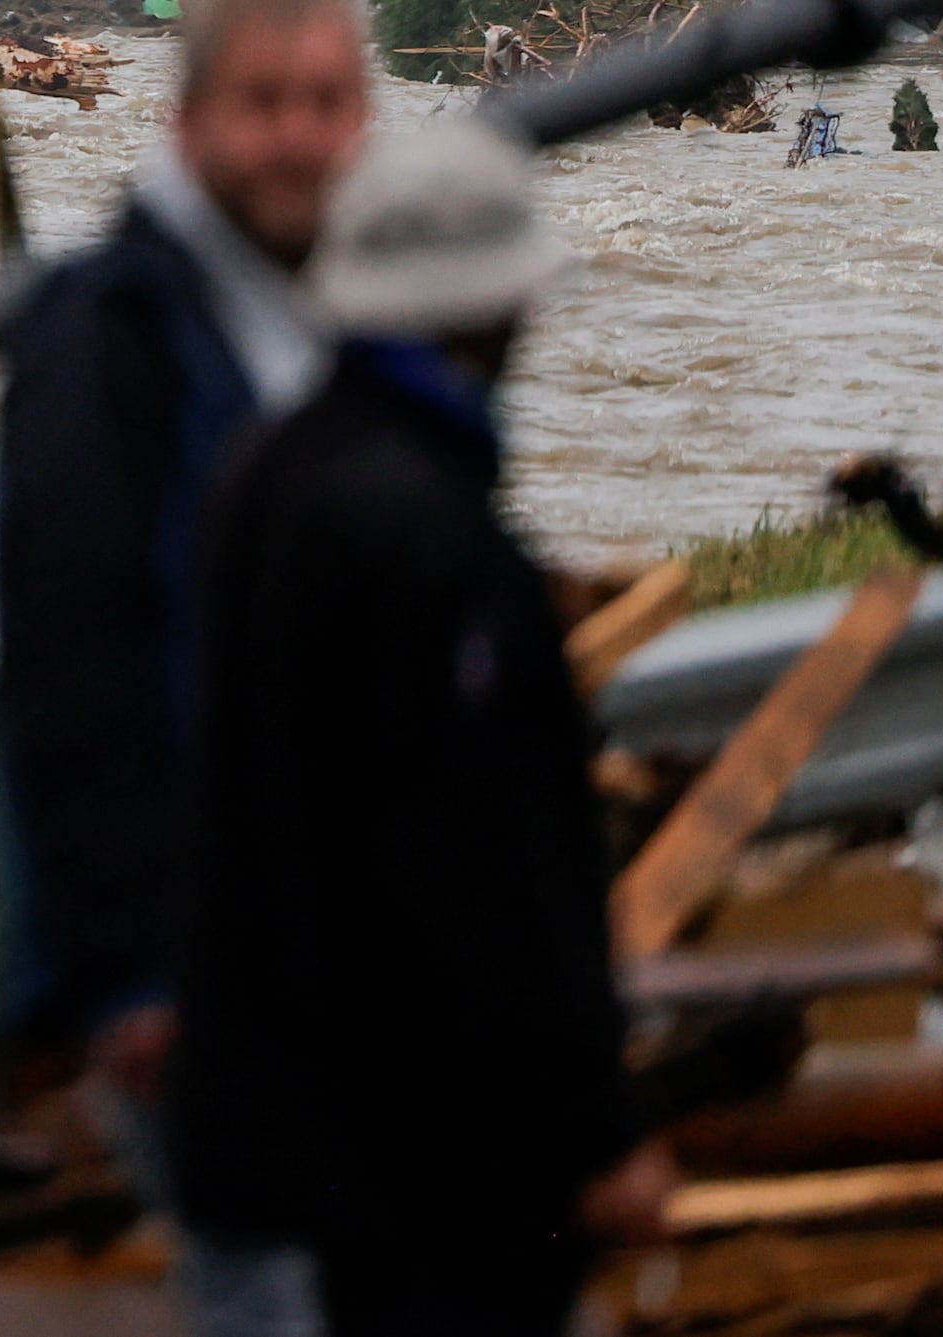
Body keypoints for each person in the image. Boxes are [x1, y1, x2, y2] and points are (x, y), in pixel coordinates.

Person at [168, 119, 671, 1336]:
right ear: (493, 308)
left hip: (294, 1120)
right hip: (449, 1148)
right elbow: (494, 869)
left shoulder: (257, 477)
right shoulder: (436, 536)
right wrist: (591, 1130)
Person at [0, 0, 371, 1120]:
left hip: (294, 925)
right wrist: (128, 970)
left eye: (326, 105)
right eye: (260, 105)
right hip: (160, 959)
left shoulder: (329, 326)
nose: (295, 140)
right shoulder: (108, 341)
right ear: (185, 119)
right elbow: (71, 670)